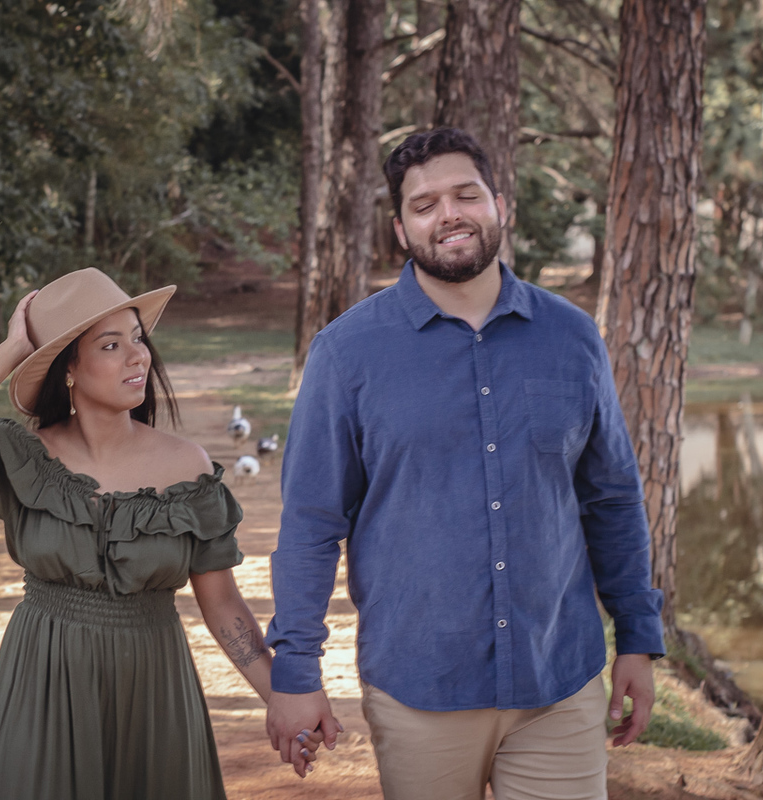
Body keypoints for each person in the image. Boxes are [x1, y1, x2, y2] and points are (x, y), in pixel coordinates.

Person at [263, 128, 665, 799]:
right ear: (401, 229)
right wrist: (296, 671)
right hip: (420, 686)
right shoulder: (347, 353)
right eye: (424, 204)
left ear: (499, 205)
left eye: (466, 195)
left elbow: (612, 498)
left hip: (558, 682)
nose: (448, 213)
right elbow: (311, 523)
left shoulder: (572, 337)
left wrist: (637, 637)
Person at [0, 268, 322, 800]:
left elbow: (223, 605)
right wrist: (16, 349)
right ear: (68, 368)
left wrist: (283, 697)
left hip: (154, 689)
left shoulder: (187, 467)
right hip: (43, 682)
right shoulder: (23, 458)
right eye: (110, 345)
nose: (137, 356)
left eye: (138, 339)